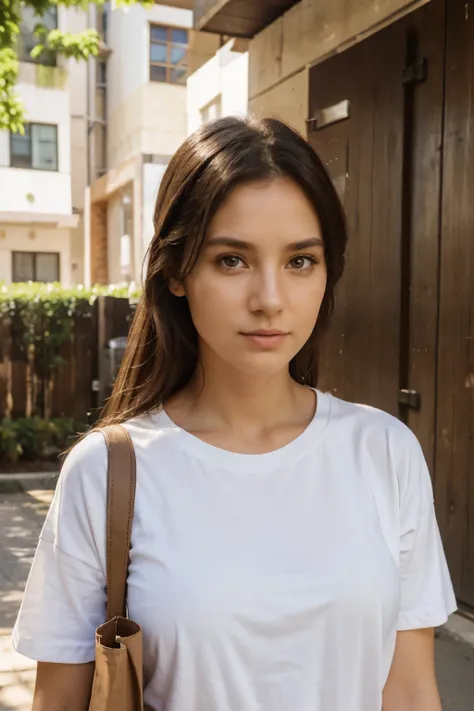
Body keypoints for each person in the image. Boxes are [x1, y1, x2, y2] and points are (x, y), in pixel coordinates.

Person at [13, 117, 456, 711]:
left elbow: (408, 691)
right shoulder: (108, 473)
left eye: (300, 261)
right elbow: (59, 703)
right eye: (232, 260)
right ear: (175, 272)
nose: (270, 299)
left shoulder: (384, 450)